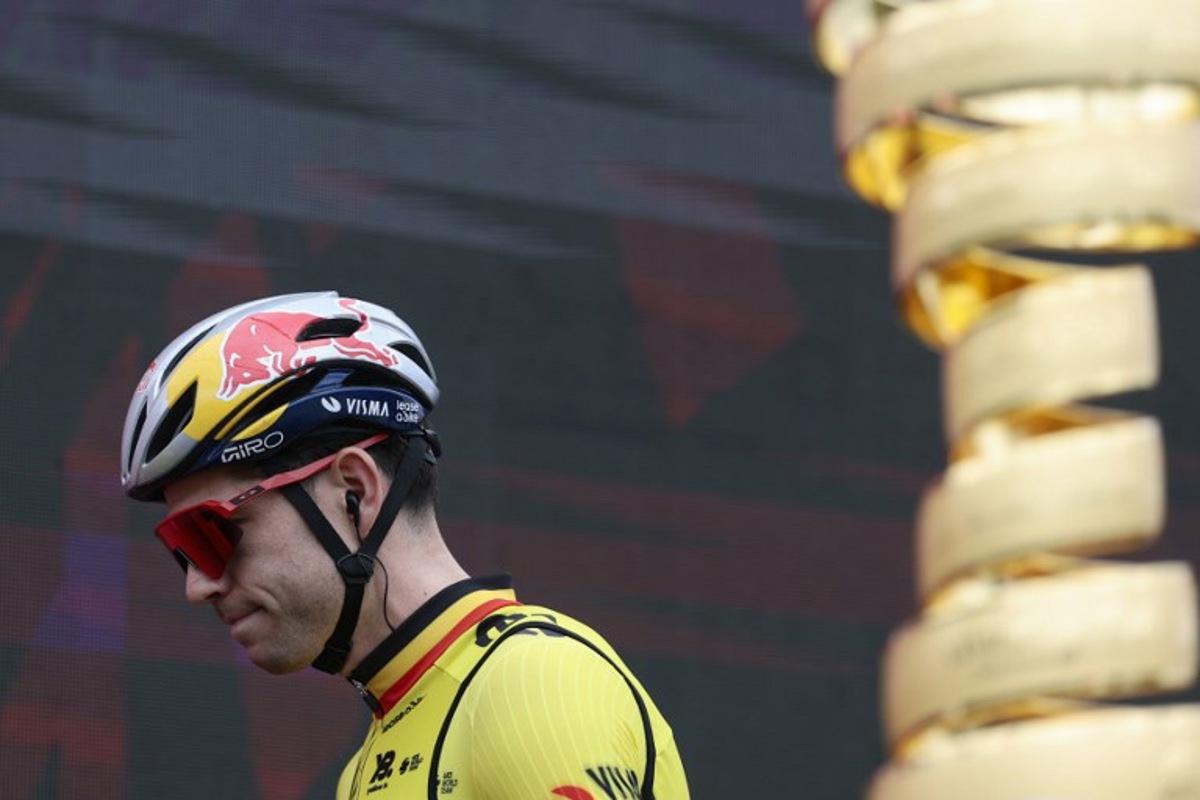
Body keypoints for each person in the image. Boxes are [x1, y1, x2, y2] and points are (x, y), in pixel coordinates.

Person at [120, 291, 690, 800]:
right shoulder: (367, 767)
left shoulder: (532, 682)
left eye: (210, 532)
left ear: (355, 490)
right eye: (181, 549)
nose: (199, 585)